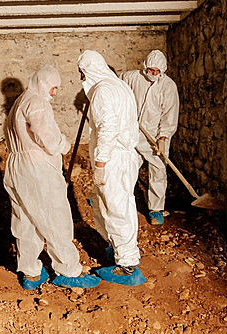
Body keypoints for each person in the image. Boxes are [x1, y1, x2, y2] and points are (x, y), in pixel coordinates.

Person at [3, 64, 101, 290]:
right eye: (53, 87)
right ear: (42, 83)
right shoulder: (36, 103)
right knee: (55, 216)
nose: (55, 93)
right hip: (37, 168)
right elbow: (46, 135)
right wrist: (63, 146)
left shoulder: (19, 102)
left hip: (16, 166)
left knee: (25, 220)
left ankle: (31, 273)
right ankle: (68, 270)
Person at [76, 50, 145, 286]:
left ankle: (127, 267)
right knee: (114, 204)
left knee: (116, 208)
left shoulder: (103, 91)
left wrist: (100, 163)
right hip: (125, 156)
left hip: (114, 158)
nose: (81, 78)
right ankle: (117, 250)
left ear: (86, 71)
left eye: (81, 73)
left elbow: (108, 128)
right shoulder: (119, 86)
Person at [120, 50, 179, 226]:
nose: (153, 74)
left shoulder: (169, 87)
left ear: (163, 70)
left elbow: (170, 115)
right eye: (150, 70)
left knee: (158, 171)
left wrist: (163, 138)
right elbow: (115, 85)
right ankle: (119, 202)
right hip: (132, 132)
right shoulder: (131, 77)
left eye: (157, 71)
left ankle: (156, 210)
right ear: (145, 67)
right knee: (127, 168)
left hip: (154, 136)